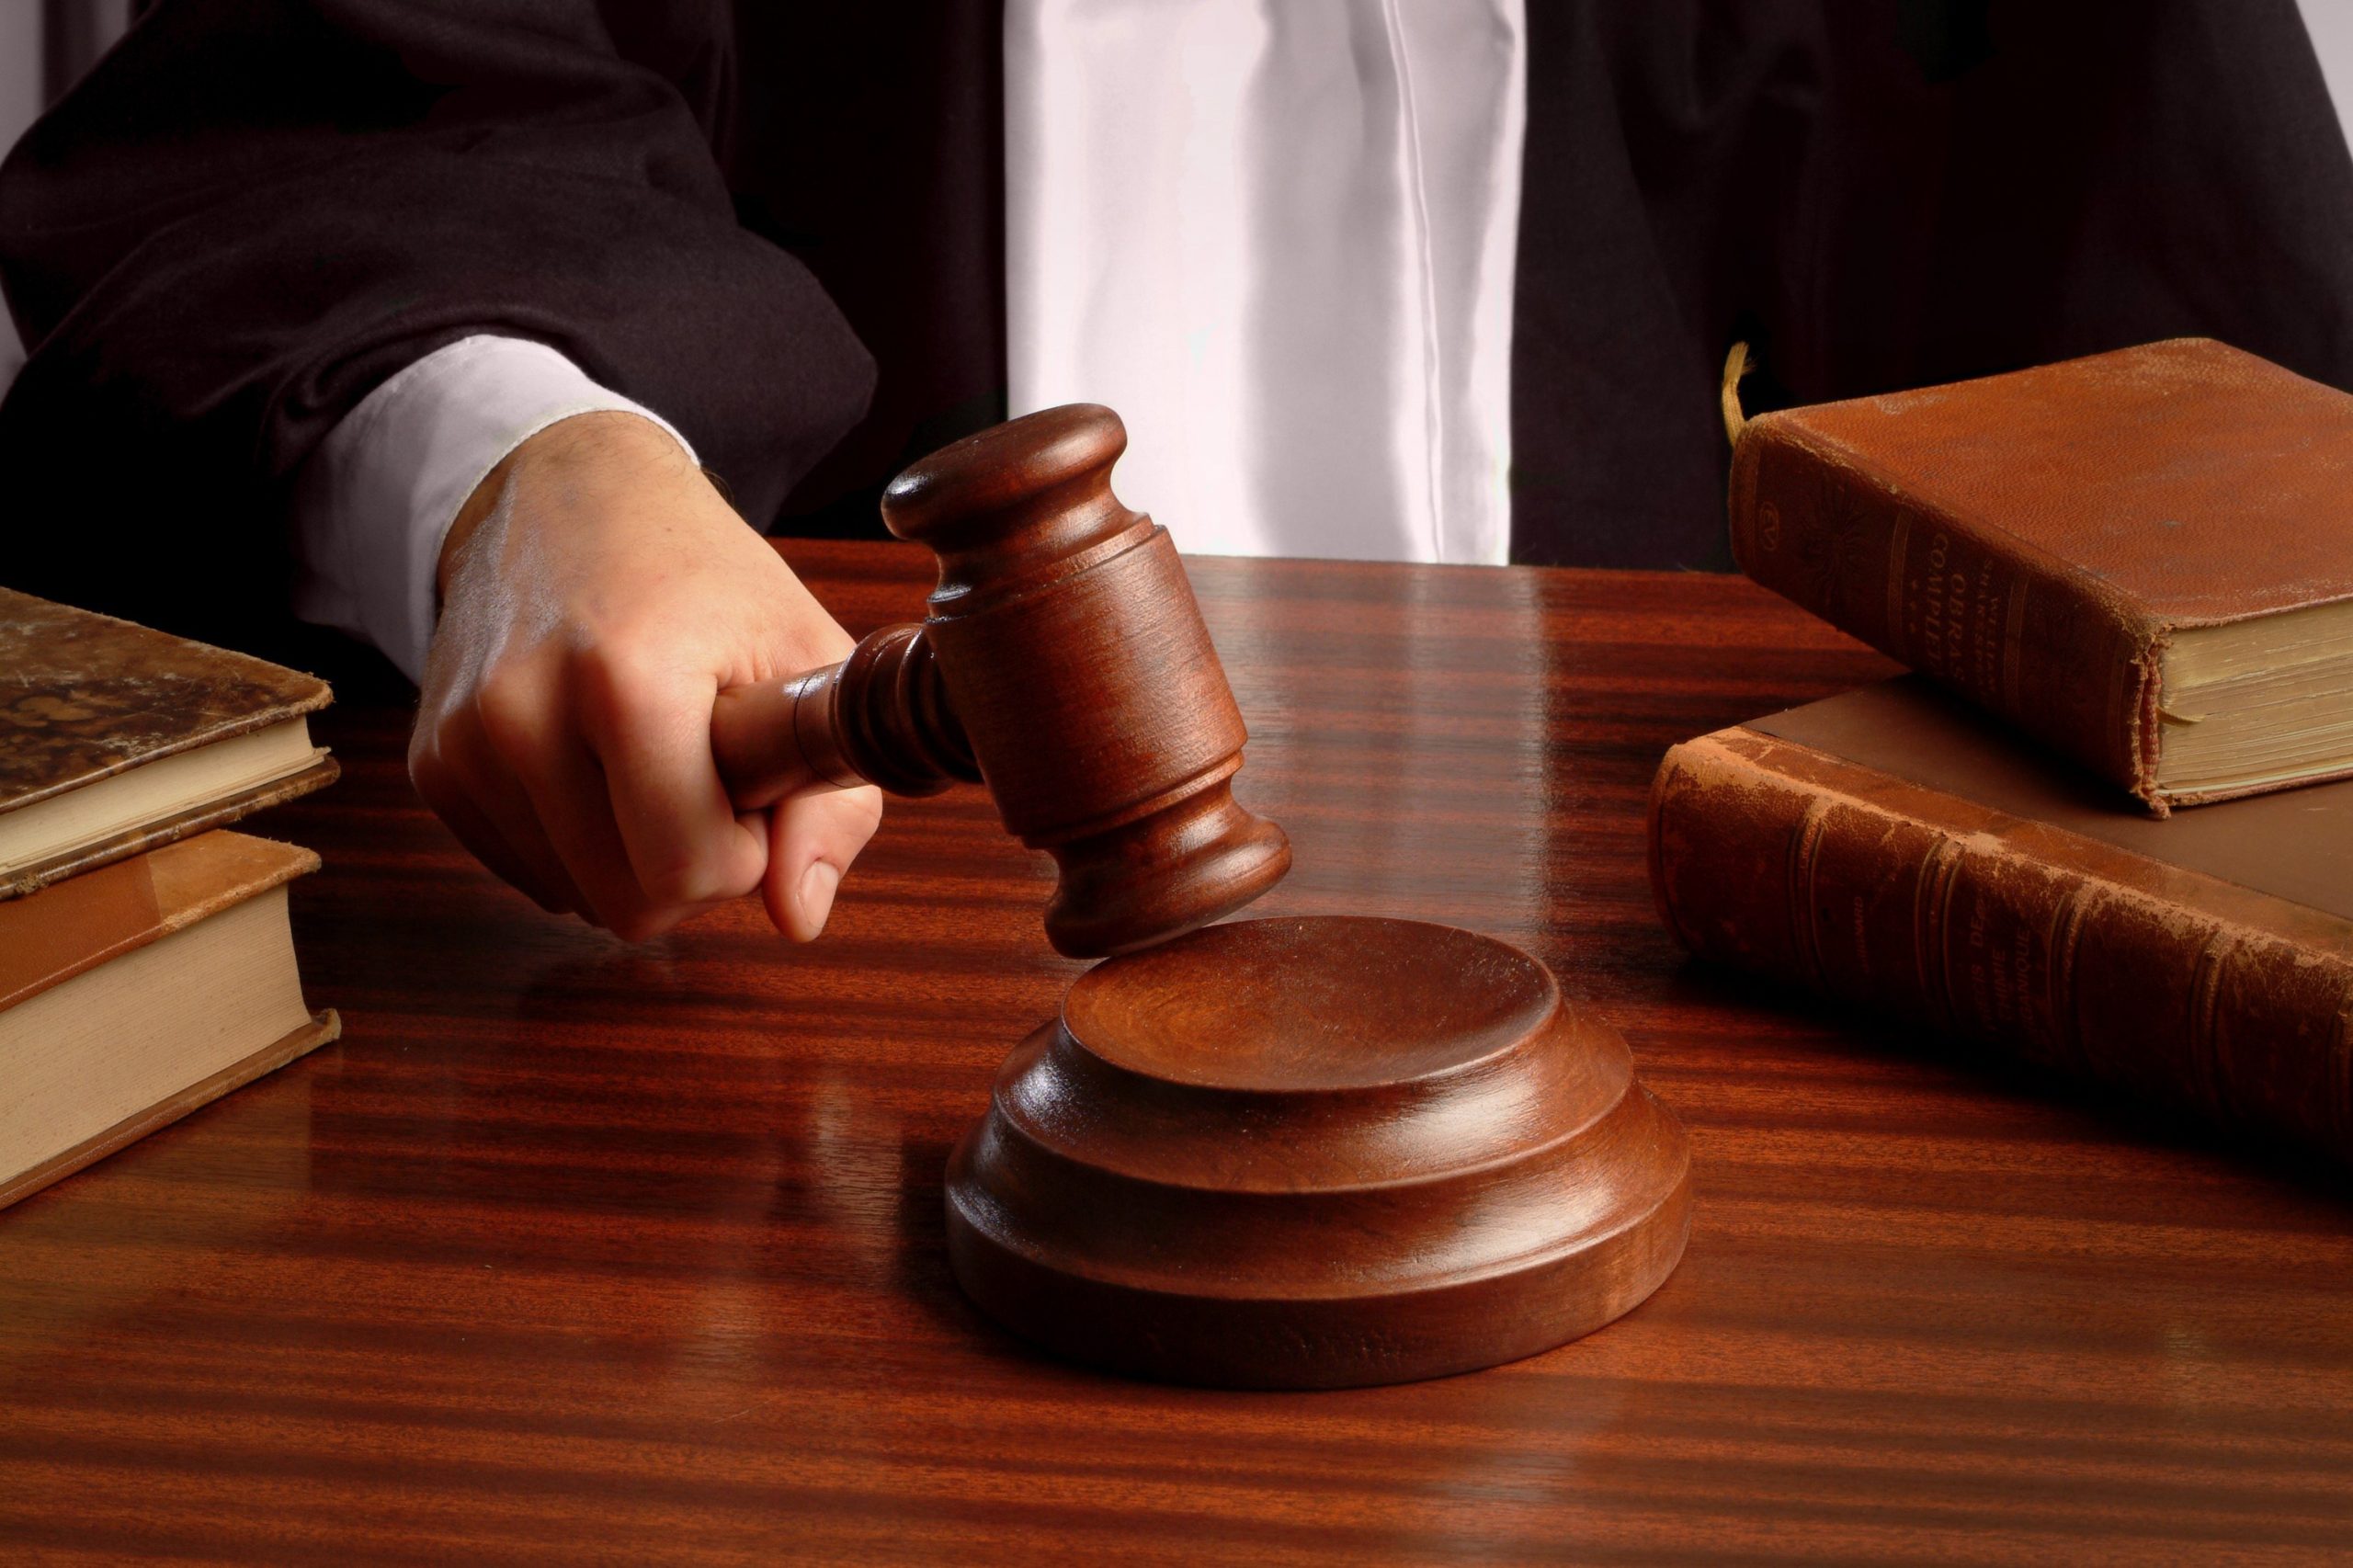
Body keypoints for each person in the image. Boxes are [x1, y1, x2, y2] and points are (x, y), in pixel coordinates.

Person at [6, 0, 2352, 944]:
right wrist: (521, 454)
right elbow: (354, 75)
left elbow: (2175, 392)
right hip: (783, 951)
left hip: (1657, 971)